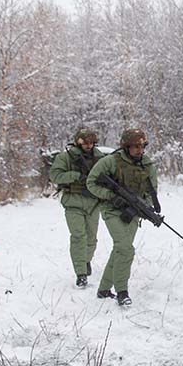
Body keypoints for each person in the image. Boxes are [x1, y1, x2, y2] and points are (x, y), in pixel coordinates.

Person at [86, 128, 158, 307]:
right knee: (126, 249)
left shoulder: (147, 164)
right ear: (126, 147)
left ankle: (103, 289)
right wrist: (111, 196)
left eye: (143, 147)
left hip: (133, 213)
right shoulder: (110, 161)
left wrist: (145, 206)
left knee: (120, 249)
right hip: (112, 210)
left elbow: (151, 191)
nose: (140, 150)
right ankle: (122, 291)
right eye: (136, 147)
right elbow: (91, 183)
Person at [49, 128, 104, 288]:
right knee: (78, 237)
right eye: (86, 142)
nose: (89, 145)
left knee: (91, 239)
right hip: (73, 202)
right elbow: (55, 176)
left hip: (93, 203)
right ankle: (81, 273)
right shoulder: (65, 157)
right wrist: (75, 176)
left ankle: (86, 260)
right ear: (78, 142)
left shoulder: (99, 157)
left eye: (91, 143)